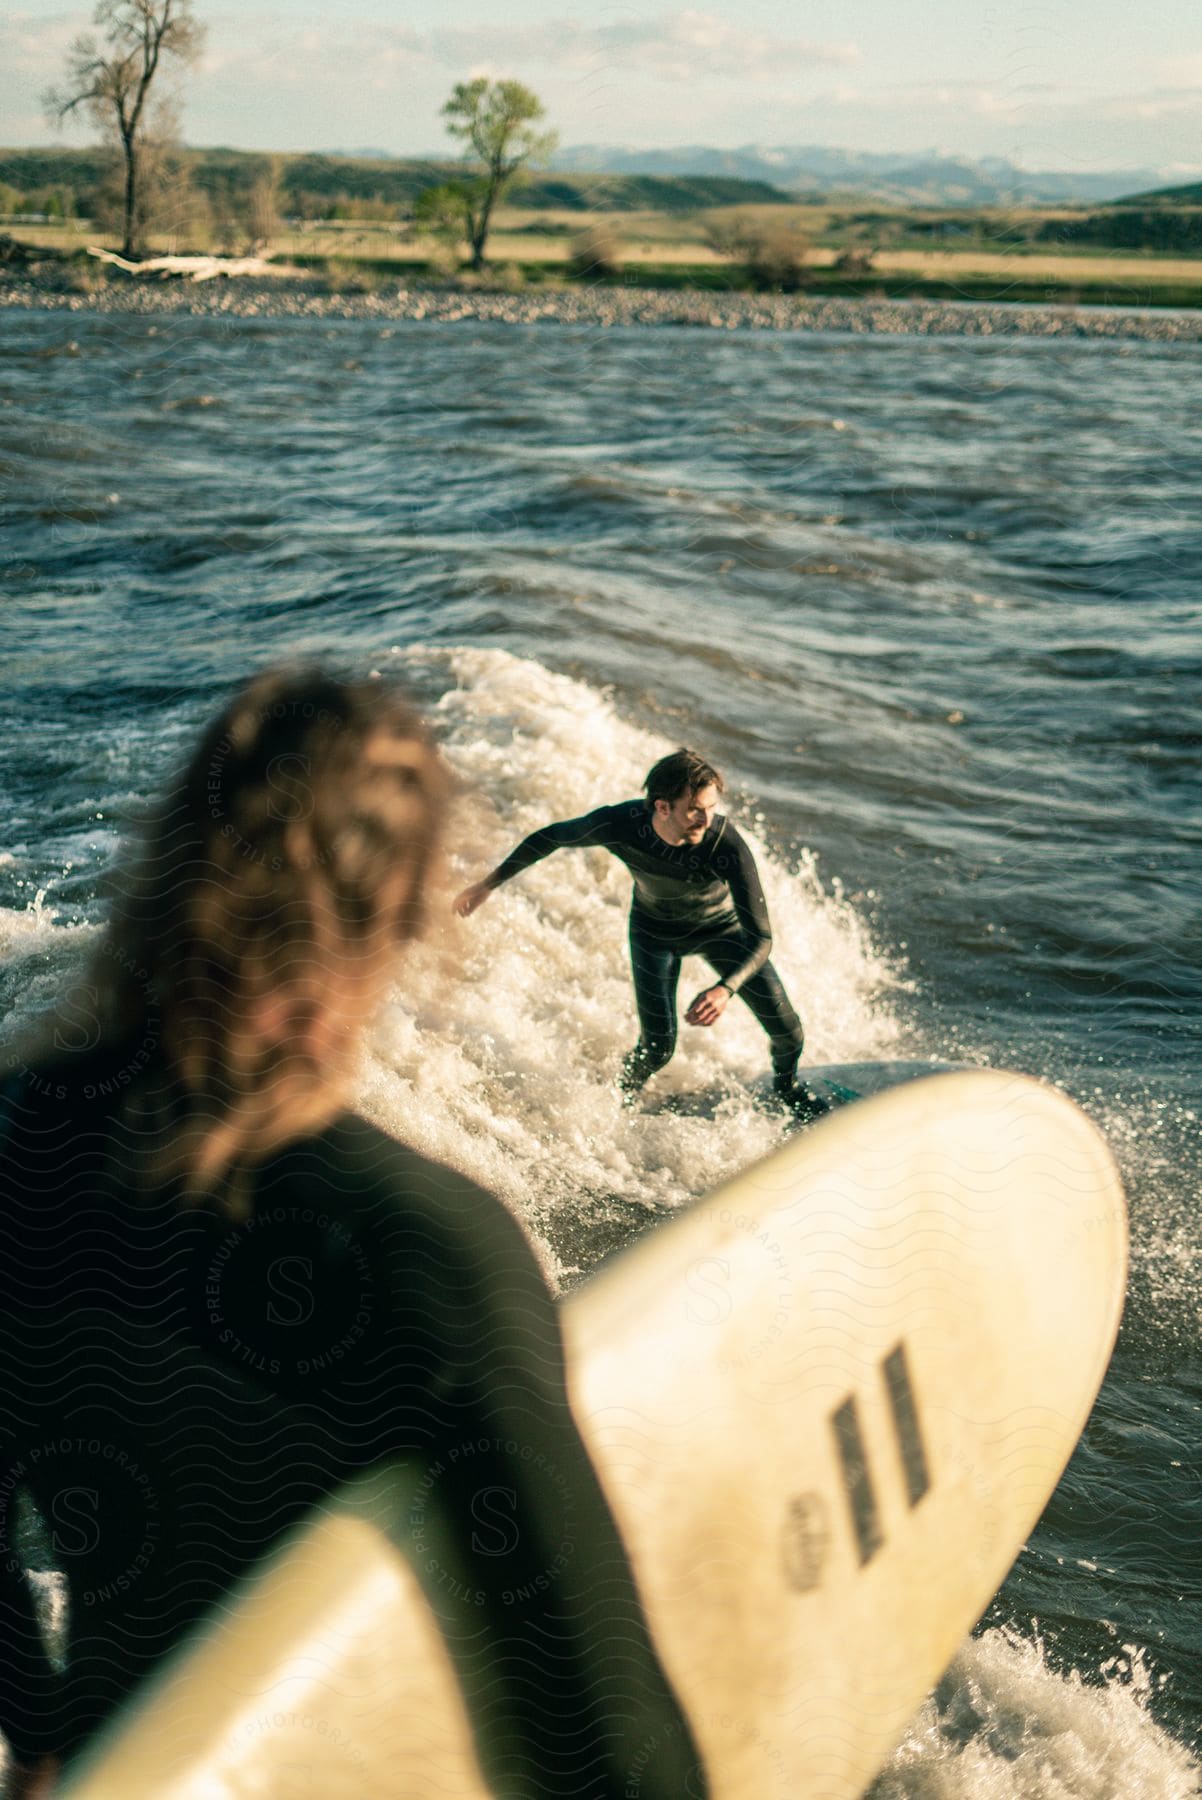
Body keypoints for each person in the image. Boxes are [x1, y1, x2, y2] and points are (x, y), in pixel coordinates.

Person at [0, 669, 707, 1800]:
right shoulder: (419, 1248)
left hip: (110, 1754)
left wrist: (41, 1739)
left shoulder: (21, 1144)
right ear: (407, 912)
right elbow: (602, 1739)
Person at [454, 747, 827, 1119]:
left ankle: (787, 1089)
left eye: (712, 808)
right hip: (654, 933)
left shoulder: (725, 845)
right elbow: (550, 838)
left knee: (789, 1034)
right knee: (657, 1049)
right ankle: (620, 1098)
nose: (706, 819)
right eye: (695, 809)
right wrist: (488, 885)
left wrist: (723, 989)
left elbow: (761, 938)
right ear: (662, 807)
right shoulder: (622, 824)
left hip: (720, 932)